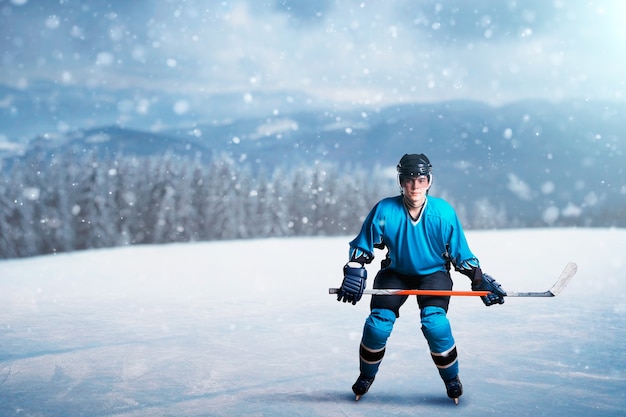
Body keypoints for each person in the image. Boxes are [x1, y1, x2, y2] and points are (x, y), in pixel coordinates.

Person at [336, 153, 507, 404]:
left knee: (435, 324)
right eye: (409, 179)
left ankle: (452, 379)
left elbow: (460, 253)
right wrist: (353, 267)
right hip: (396, 273)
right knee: (377, 325)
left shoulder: (443, 213)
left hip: (434, 274)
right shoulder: (385, 210)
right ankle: (366, 376)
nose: (415, 186)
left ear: (429, 181)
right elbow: (364, 245)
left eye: (421, 179)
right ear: (401, 181)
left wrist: (478, 278)